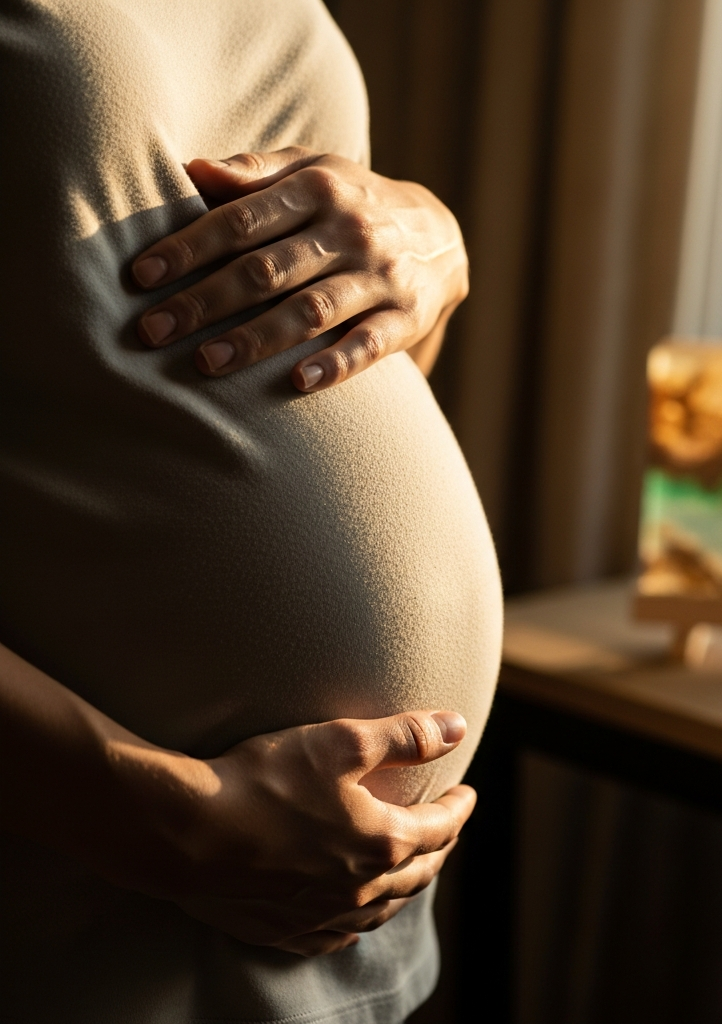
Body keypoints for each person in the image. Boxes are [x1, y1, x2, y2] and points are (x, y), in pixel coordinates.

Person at [0, 1, 503, 1022]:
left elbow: (294, 374)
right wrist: (161, 818)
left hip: (335, 928)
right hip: (79, 899)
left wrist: (428, 256)